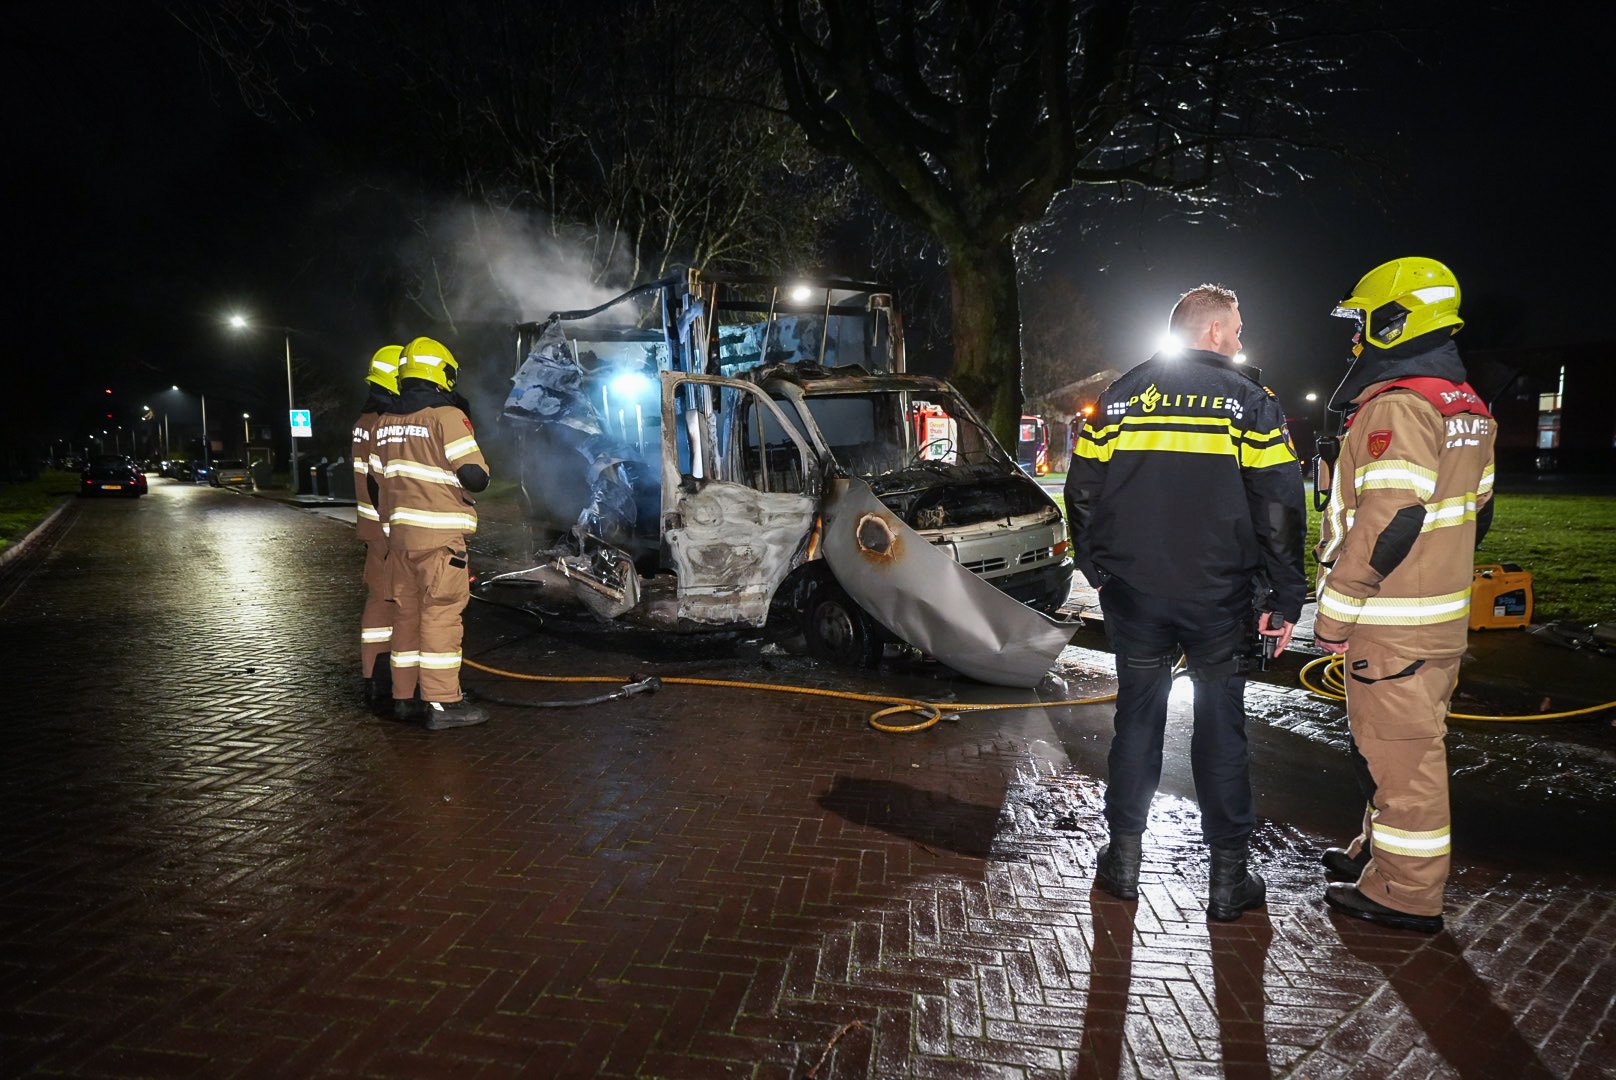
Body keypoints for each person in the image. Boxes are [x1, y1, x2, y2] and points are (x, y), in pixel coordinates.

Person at [1065, 283, 1306, 921]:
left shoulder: (1120, 396)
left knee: (1136, 723)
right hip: (1219, 600)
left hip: (1136, 596)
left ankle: (1121, 863)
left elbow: (1082, 486)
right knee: (1221, 730)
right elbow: (1279, 505)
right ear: (1211, 332)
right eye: (1235, 327)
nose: (1240, 339)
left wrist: (1095, 565)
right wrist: (1285, 594)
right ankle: (1228, 881)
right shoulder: (1251, 403)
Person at [1314, 257, 1496, 934]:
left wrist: (1335, 612)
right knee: (1388, 748)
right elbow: (1479, 508)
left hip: (1393, 624)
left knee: (1404, 758)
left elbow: (1389, 518)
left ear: (1394, 320)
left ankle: (1406, 892)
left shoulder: (1399, 405)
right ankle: (1375, 854)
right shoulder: (1466, 403)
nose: (1355, 339)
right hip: (1437, 619)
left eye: (1362, 323)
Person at [372, 335, 492, 730]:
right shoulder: (444, 416)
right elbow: (474, 477)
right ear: (440, 372)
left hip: (400, 540)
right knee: (440, 617)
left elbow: (377, 484)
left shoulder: (384, 424)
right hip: (439, 541)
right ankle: (442, 703)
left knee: (405, 617)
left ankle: (403, 698)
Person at [353, 344, 402, 714]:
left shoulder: (363, 423)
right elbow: (380, 483)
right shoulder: (383, 427)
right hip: (389, 531)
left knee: (378, 605)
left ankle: (375, 678)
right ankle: (393, 686)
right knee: (402, 606)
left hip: (372, 531)